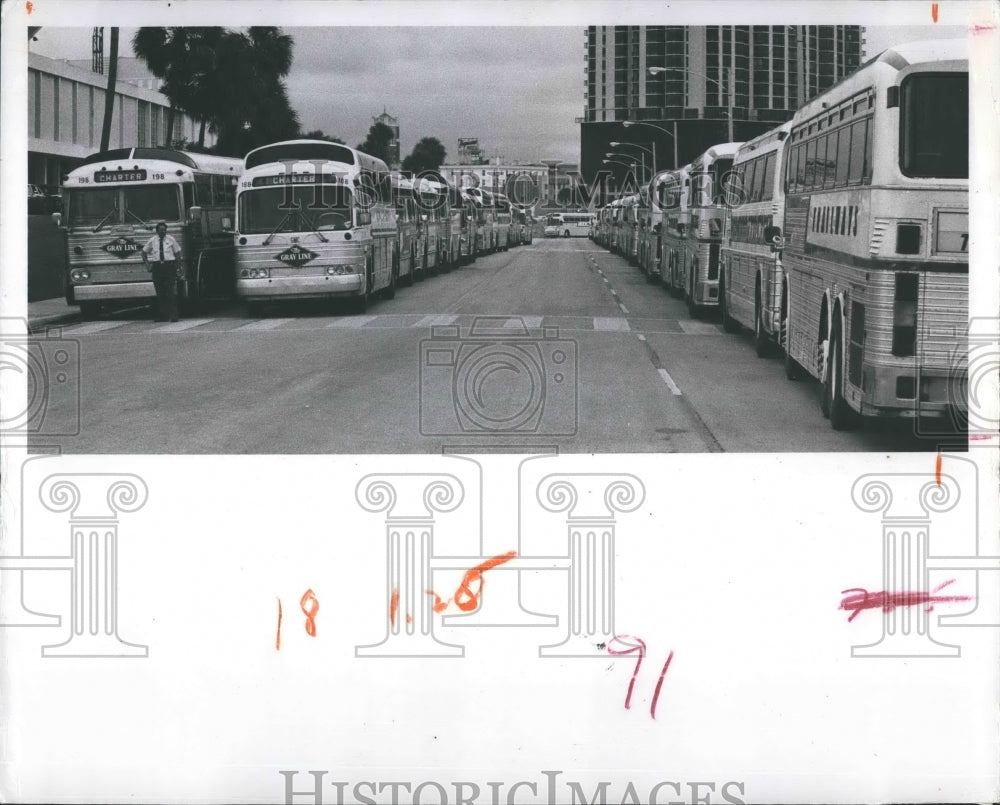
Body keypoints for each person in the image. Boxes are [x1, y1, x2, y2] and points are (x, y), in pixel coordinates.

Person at [140, 222, 183, 322]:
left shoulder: (171, 239)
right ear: (157, 231)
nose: (163, 232)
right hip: (157, 267)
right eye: (160, 230)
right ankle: (163, 316)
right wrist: (147, 264)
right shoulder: (152, 240)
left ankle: (174, 315)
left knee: (170, 292)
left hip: (169, 266)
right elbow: (143, 252)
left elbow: (177, 254)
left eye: (164, 230)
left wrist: (178, 267)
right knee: (160, 292)